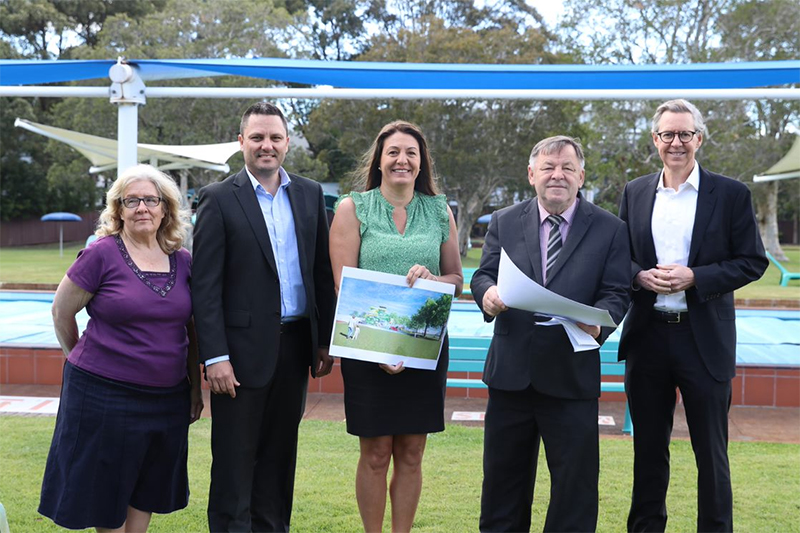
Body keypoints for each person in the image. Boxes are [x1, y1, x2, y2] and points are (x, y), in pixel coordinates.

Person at [618, 99, 768, 532]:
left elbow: (751, 262)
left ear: (699, 138)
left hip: (704, 340)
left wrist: (695, 277)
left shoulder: (732, 194)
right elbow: (619, 258)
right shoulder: (635, 191)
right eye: (668, 134)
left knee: (711, 452)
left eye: (685, 134)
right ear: (655, 140)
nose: (677, 142)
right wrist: (639, 277)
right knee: (648, 450)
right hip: (648, 337)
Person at [471, 136, 631, 532]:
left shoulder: (610, 228)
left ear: (581, 174)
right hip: (511, 377)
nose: (557, 175)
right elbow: (483, 274)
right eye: (548, 167)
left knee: (574, 493)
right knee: (502, 490)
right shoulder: (505, 221)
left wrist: (602, 321)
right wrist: (487, 295)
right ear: (531, 174)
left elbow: (617, 292)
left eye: (566, 167)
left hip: (571, 376)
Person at [192, 102, 336, 532]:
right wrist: (214, 356)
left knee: (278, 461)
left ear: (287, 143)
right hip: (237, 356)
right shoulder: (217, 198)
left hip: (294, 349)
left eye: (275, 137)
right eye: (257, 138)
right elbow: (205, 286)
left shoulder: (309, 194)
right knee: (235, 465)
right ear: (242, 143)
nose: (266, 146)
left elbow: (321, 272)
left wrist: (325, 340)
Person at [39, 164, 203, 532]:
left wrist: (193, 388)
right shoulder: (101, 254)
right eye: (132, 201)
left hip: (166, 399)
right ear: (118, 210)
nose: (142, 207)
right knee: (105, 493)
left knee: (146, 488)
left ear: (166, 209)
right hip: (102, 397)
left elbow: (191, 331)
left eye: (150, 200)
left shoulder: (184, 261)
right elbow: (61, 312)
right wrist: (82, 361)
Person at [329, 120, 463, 532]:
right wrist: (385, 350)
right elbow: (343, 288)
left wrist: (433, 281)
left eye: (411, 153)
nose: (402, 159)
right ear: (380, 160)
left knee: (411, 453)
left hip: (424, 351)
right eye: (393, 152)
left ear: (422, 163)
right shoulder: (353, 208)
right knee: (374, 454)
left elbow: (457, 280)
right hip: (369, 350)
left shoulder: (440, 211)